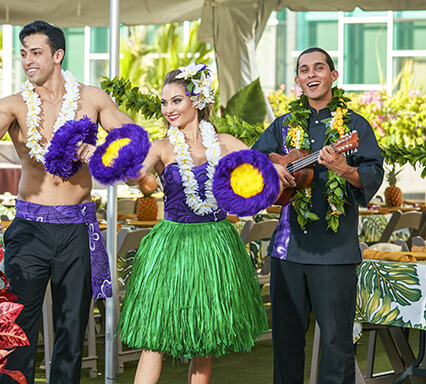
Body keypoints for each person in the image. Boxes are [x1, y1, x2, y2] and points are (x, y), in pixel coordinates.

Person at [0, 21, 134, 384]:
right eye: (23, 53)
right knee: (18, 324)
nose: (27, 60)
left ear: (58, 55)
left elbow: (132, 142)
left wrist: (98, 150)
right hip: (30, 230)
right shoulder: (14, 105)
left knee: (72, 326)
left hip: (76, 227)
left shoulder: (93, 99)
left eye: (36, 52)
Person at [118, 64, 269, 384]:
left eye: (176, 101)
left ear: (198, 100)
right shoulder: (161, 146)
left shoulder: (225, 142)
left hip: (215, 245)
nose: (168, 109)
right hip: (172, 245)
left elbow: (260, 170)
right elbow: (138, 176)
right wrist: (136, 173)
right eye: (164, 102)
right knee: (154, 338)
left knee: (205, 338)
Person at [252, 47, 384, 384]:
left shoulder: (354, 126)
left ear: (333, 75)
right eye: (304, 70)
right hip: (288, 251)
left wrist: (346, 170)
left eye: (319, 68)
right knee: (286, 341)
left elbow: (371, 172)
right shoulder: (282, 126)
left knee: (337, 343)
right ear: (297, 80)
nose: (311, 75)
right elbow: (251, 163)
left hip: (335, 252)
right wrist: (271, 166)